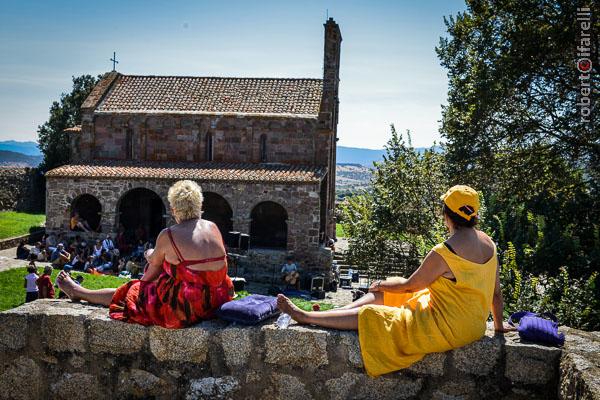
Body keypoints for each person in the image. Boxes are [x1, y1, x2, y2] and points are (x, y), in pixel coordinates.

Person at [277, 185, 515, 376]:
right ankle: (334, 314)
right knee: (388, 294)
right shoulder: (489, 243)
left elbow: (410, 285)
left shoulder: (445, 252)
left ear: (447, 215)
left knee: (372, 312)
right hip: (471, 325)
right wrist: (498, 325)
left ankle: (305, 316)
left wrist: (379, 283)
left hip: (447, 327)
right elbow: (496, 294)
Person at [57, 180, 235, 329]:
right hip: (219, 297)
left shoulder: (169, 234)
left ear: (173, 209)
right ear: (199, 205)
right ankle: (80, 291)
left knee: (132, 292)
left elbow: (151, 270)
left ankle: (79, 291)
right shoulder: (213, 227)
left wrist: (149, 258)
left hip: (190, 306)